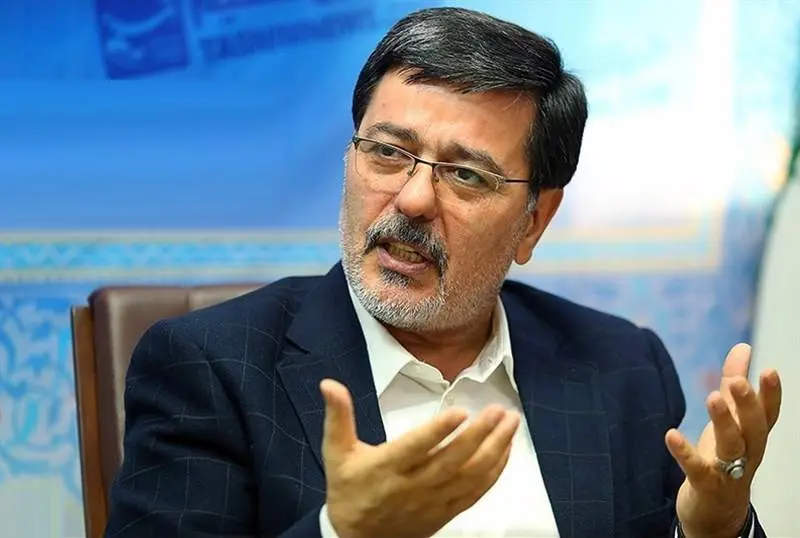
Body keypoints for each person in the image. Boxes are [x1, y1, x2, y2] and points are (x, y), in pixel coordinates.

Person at [103, 7, 782, 538]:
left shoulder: (621, 367)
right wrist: (345, 532)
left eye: (466, 175)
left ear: (535, 220)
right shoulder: (213, 368)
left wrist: (713, 528)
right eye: (387, 152)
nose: (412, 199)